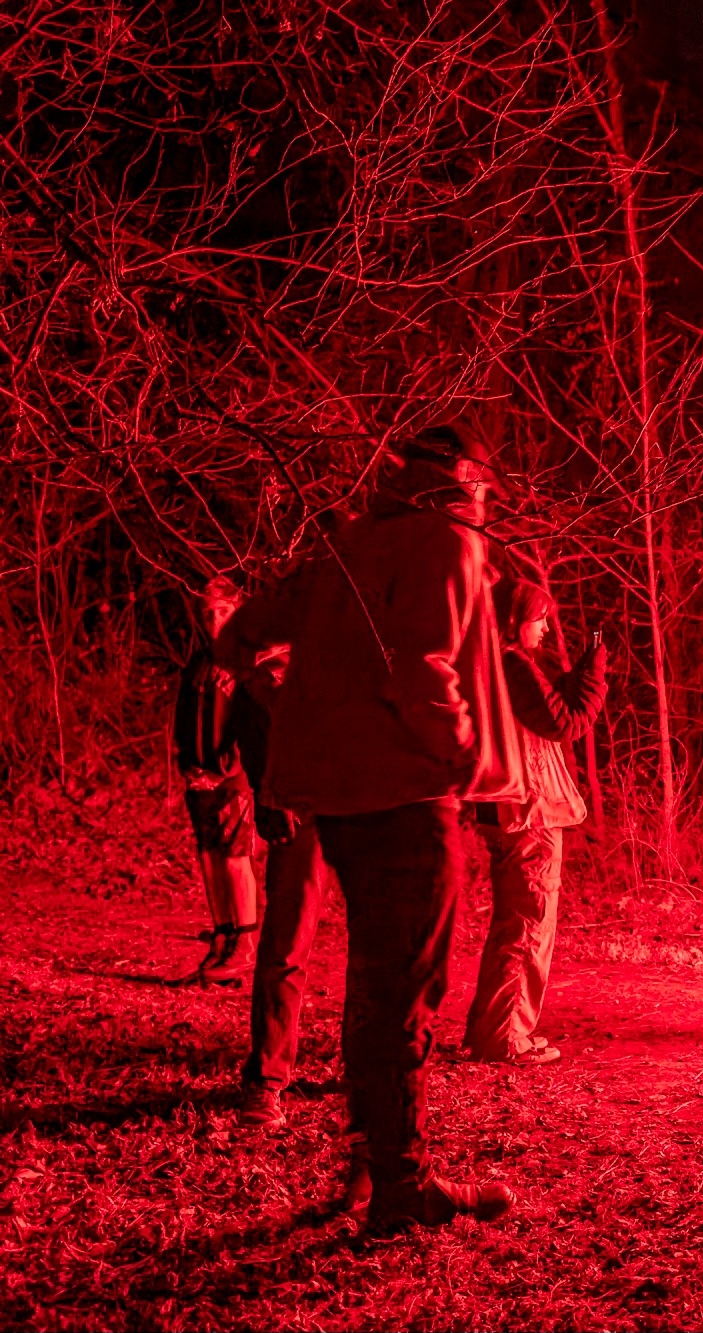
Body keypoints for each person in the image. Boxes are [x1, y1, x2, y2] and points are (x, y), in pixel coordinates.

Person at [217, 424, 524, 1233]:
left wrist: (295, 709)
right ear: (463, 479)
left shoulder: (350, 549)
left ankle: (370, 1162)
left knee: (376, 990)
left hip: (347, 808)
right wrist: (459, 756)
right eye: (485, 488)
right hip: (414, 802)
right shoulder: (450, 542)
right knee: (406, 997)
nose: (488, 502)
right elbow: (427, 669)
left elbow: (238, 632)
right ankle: (401, 1181)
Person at [461, 577, 607, 1065]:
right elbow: (563, 721)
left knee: (516, 923)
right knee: (527, 926)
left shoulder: (490, 665)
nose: (545, 628)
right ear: (513, 620)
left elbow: (544, 707)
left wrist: (574, 677)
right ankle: (504, 1037)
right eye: (538, 618)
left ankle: (492, 1030)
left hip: (508, 808)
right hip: (527, 811)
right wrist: (594, 676)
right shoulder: (510, 665)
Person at [231, 643, 331, 1131]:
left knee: (383, 946)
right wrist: (268, 790)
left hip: (374, 804)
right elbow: (254, 701)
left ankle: (373, 1069)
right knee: (288, 941)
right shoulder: (277, 658)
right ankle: (267, 1078)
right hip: (306, 808)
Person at [172, 575, 259, 986]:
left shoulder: (245, 661)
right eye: (208, 614)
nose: (214, 621)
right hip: (198, 777)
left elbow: (252, 722)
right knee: (209, 856)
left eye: (223, 612)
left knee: (235, 856)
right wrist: (187, 764)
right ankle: (222, 937)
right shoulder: (200, 662)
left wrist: (226, 768)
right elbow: (185, 718)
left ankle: (245, 944)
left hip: (231, 778)